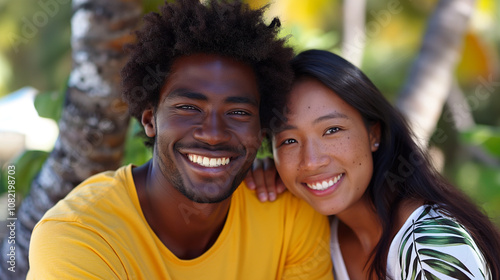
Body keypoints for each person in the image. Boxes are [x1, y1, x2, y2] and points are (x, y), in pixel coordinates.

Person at [27, 2, 333, 279]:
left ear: (261, 130)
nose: (213, 133)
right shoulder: (79, 237)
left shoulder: (289, 215)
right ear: (150, 119)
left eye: (238, 112)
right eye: (189, 108)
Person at [246, 49, 500, 279]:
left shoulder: (430, 246)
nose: (311, 161)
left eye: (332, 129)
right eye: (289, 140)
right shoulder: (321, 233)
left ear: (373, 134)